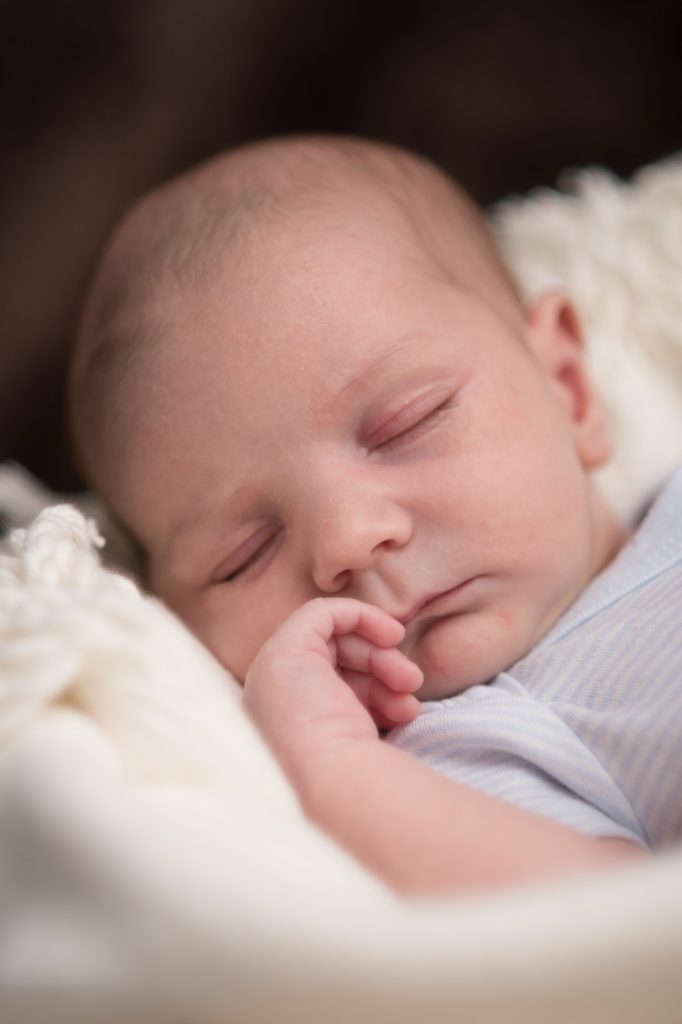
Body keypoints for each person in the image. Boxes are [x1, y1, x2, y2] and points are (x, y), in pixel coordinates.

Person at [69, 134, 681, 894]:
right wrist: (332, 765)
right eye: (245, 553)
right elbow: (610, 941)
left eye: (407, 424)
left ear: (567, 386)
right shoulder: (462, 758)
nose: (346, 540)